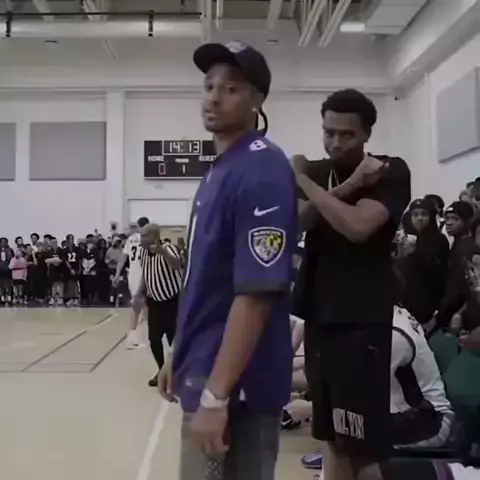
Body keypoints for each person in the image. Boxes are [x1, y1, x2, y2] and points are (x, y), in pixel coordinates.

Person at [158, 41, 297, 480]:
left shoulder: (262, 170)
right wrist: (181, 353)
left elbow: (256, 294)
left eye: (231, 88)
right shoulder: (220, 170)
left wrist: (216, 397)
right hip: (206, 369)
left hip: (237, 389)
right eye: (208, 86)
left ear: (257, 100)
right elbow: (206, 281)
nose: (214, 98)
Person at [293, 88, 411, 480]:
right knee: (330, 437)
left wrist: (302, 180)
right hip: (319, 316)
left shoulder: (389, 170)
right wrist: (342, 187)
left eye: (347, 134)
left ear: (367, 134)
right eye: (329, 132)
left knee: (360, 449)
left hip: (361, 322)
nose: (335, 142)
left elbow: (357, 227)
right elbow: (295, 223)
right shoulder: (316, 171)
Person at [302, 305, 454, 469]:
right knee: (341, 426)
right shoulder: (379, 317)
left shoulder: (392, 333)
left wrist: (311, 408)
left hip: (428, 421)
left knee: (346, 427)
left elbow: (354, 392)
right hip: (397, 411)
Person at [136, 223, 183, 387]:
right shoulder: (142, 252)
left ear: (154, 236)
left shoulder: (169, 248)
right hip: (154, 302)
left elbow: (177, 265)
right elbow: (146, 273)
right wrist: (140, 291)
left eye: (144, 236)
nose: (141, 239)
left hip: (172, 301)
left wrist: (162, 252)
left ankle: (176, 371)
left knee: (173, 339)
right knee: (154, 339)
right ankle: (161, 370)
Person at [396, 198, 450, 325]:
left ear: (431, 216)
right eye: (415, 214)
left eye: (424, 214)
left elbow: (439, 273)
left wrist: (414, 253)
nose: (419, 218)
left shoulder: (439, 240)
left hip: (427, 299)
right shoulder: (406, 237)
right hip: (407, 298)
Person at [113, 217, 150, 349]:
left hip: (133, 275)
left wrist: (117, 274)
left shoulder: (131, 239)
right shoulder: (147, 238)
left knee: (139, 308)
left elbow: (123, 258)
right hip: (143, 274)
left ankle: (136, 337)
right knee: (142, 308)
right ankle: (136, 338)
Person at [62, 234, 82, 306]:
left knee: (75, 283)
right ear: (67, 240)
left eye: (72, 239)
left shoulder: (77, 249)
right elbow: (65, 260)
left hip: (76, 267)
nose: (71, 241)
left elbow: (79, 259)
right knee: (69, 283)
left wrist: (79, 268)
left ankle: (76, 298)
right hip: (68, 269)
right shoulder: (64, 250)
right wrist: (70, 269)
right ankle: (70, 298)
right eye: (70, 239)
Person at [0, 237, 14, 304]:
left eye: (5, 242)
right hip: (0, 269)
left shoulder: (10, 250)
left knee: (9, 284)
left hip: (8, 269)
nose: (3, 243)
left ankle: (9, 298)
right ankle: (2, 298)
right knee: (1, 284)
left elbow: (13, 259)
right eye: (2, 242)